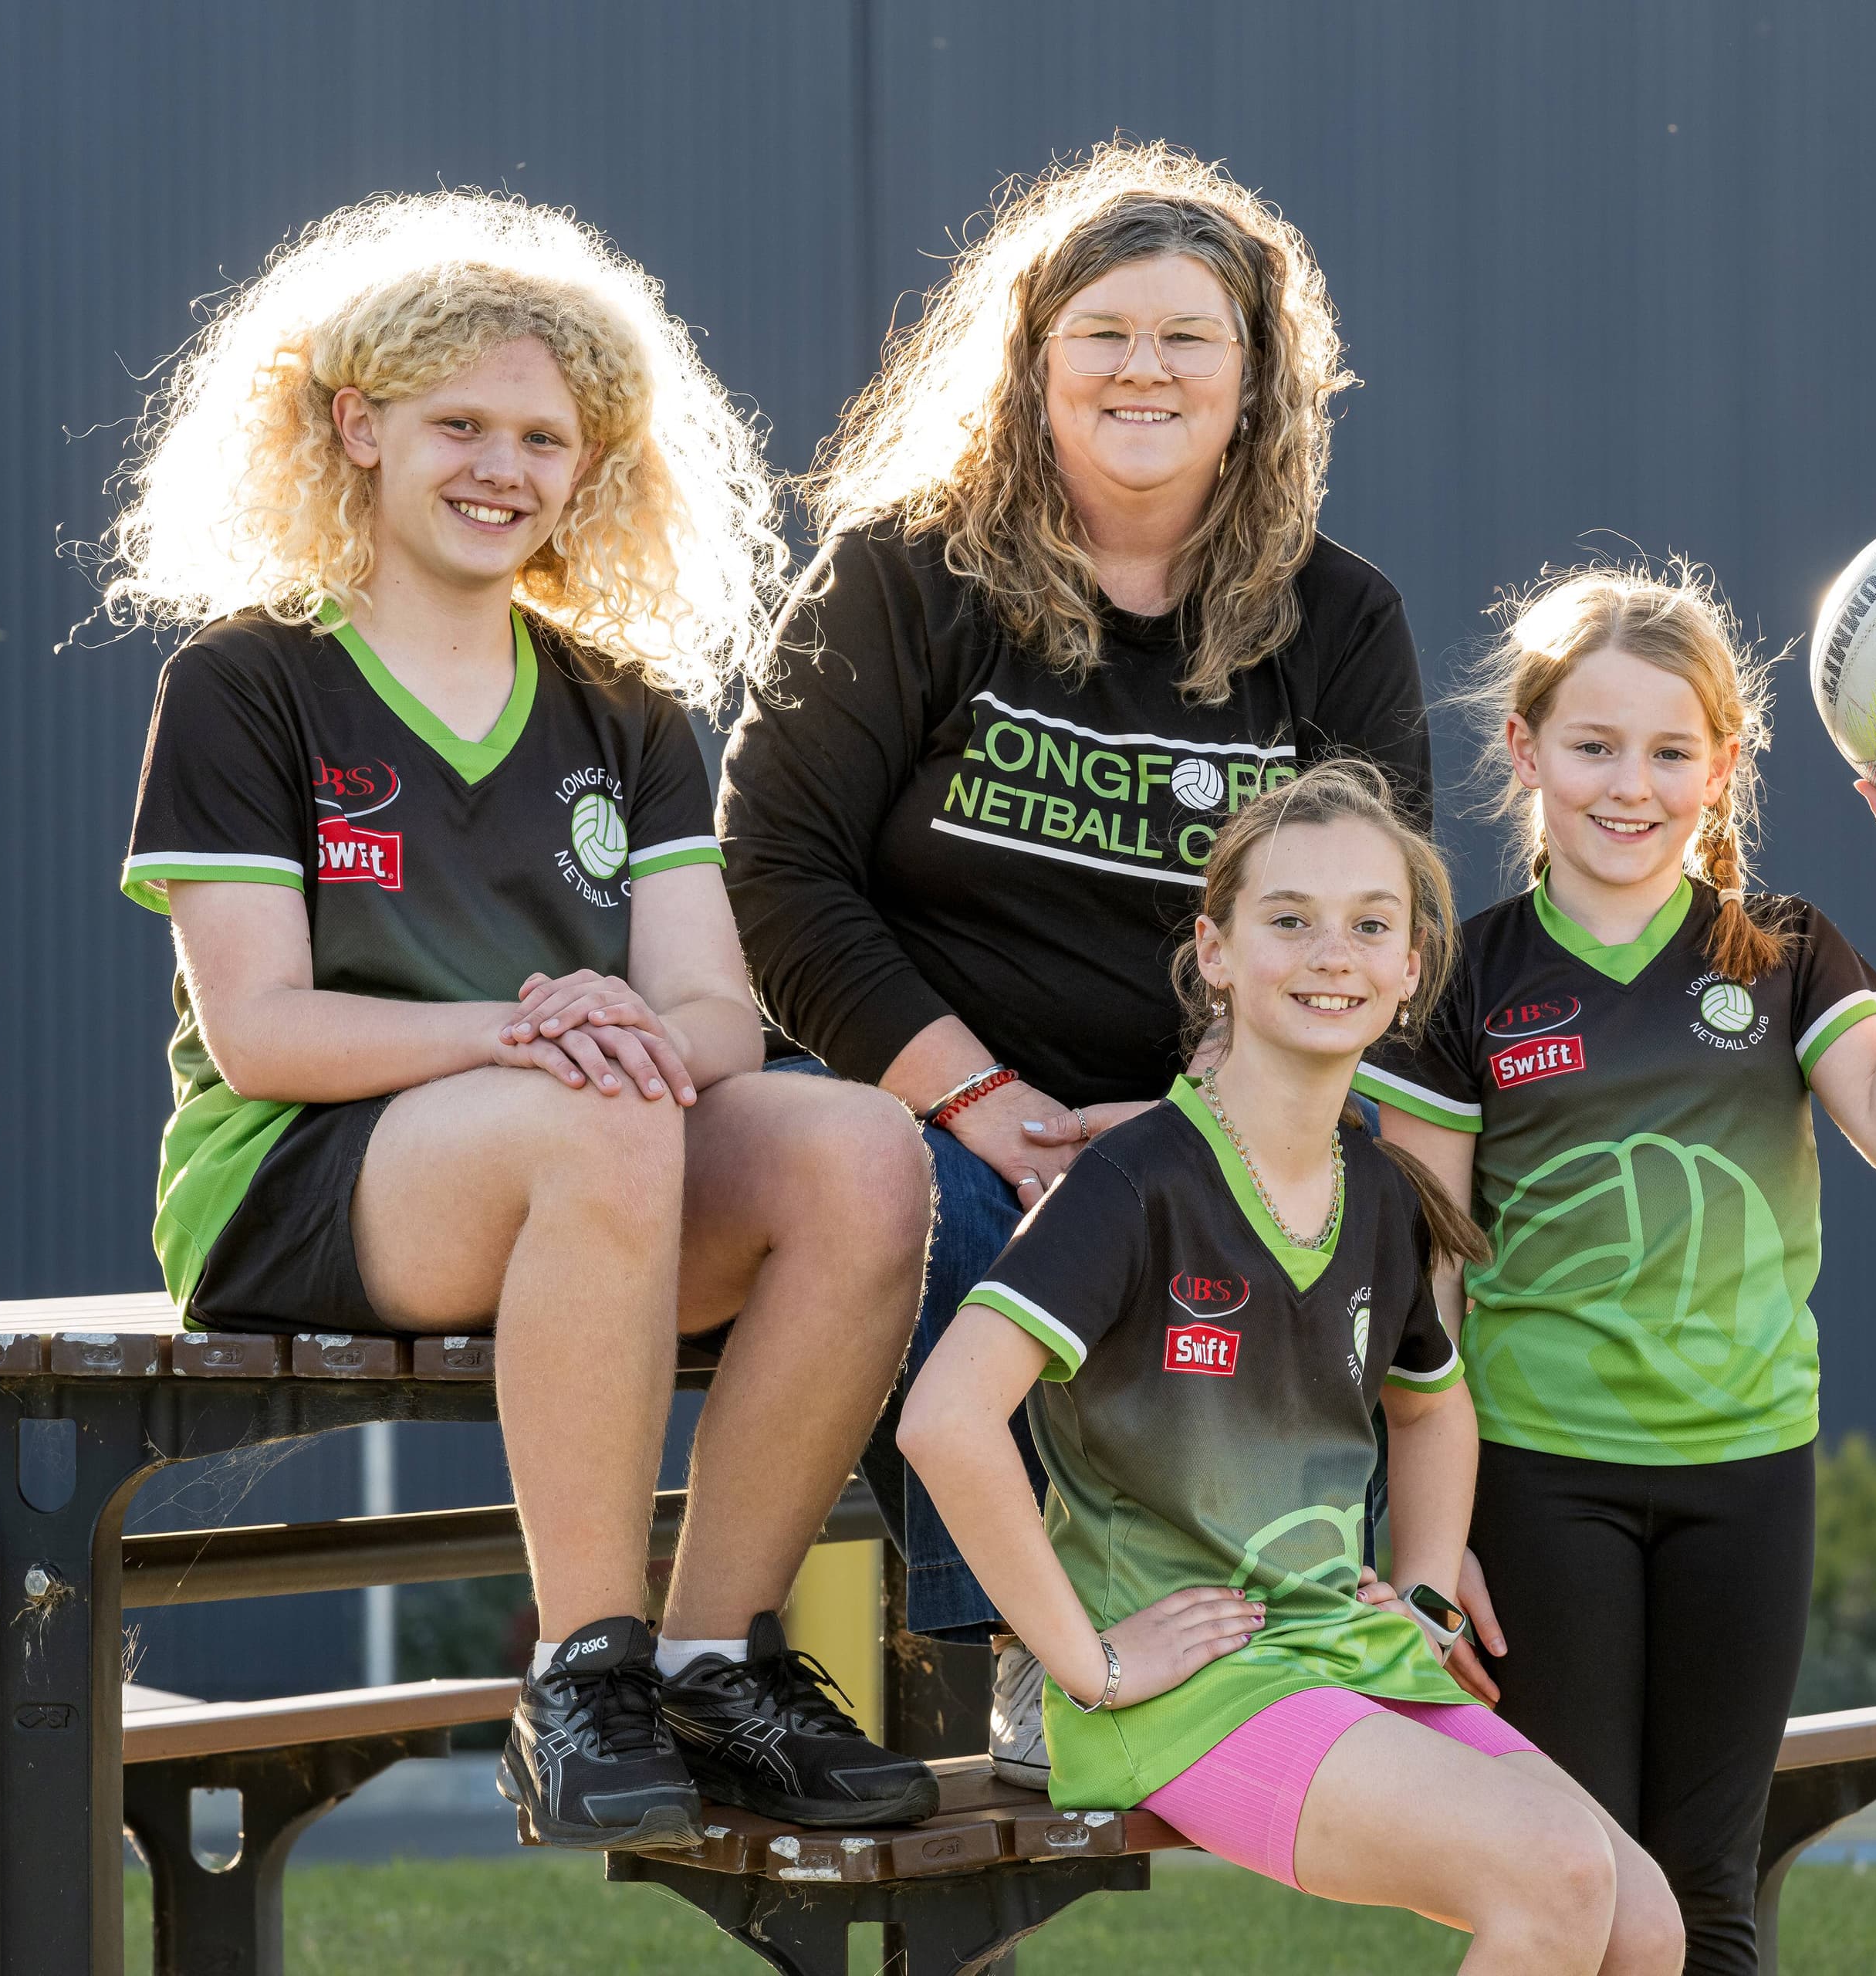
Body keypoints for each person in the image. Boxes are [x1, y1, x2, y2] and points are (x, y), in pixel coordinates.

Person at [103, 191, 938, 1849]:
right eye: (460, 425)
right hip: (304, 1177)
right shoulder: (247, 681)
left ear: (590, 465)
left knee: (862, 1148)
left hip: (585, 1157)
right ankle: (580, 1671)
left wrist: (611, 1031)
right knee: (604, 1110)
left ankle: (712, 1660)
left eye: (545, 438)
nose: (505, 468)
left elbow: (712, 1014)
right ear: (358, 426)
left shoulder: (625, 706)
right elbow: (264, 1033)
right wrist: (530, 1032)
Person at [719, 141, 1432, 1774]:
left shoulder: (1339, 620)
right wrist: (981, 1099)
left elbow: (1368, 904)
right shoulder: (902, 575)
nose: (1143, 368)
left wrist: (1200, 1124)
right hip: (929, 1106)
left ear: (1257, 379)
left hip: (1211, 1114)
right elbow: (777, 872)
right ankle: (1040, 1649)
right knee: (950, 1210)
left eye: (1189, 336)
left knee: (1359, 1190)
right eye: (1103, 331)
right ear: (1032, 360)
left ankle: (1325, 1609)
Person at [1363, 565, 1876, 1974]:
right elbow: (1422, 1297)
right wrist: (1432, 1539)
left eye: (1672, 752)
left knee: (1709, 1890)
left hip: (1748, 1474)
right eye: (1594, 746)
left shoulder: (1782, 954)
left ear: (1723, 767)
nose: (1632, 786)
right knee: (1582, 1880)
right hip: (1541, 1481)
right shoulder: (1461, 982)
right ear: (1525, 750)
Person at [897, 763, 1684, 1974]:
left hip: (1343, 1649)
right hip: (1194, 1692)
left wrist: (1423, 1594)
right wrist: (1090, 1662)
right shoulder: (1132, 1183)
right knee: (1558, 1873)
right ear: (1214, 951)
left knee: (1645, 1923)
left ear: (1411, 967)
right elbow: (946, 1421)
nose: (1333, 954)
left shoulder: (1381, 1192)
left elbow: (1433, 1412)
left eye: (1370, 925)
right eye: (1290, 919)